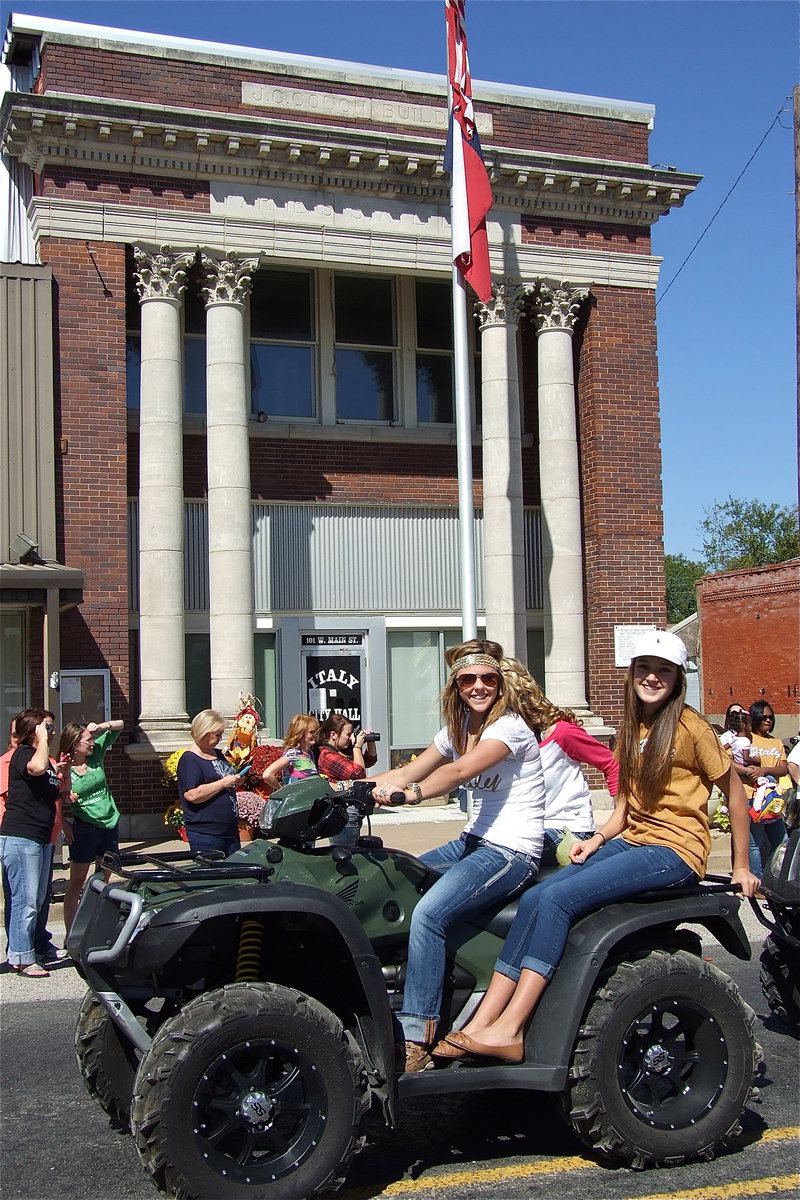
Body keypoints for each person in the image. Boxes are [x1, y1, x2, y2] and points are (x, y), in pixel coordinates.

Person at [435, 630, 759, 1064]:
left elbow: (734, 793)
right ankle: (483, 1021)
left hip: (674, 850)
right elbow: (626, 804)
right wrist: (598, 838)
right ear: (632, 673)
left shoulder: (691, 727)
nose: (652, 677)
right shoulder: (632, 727)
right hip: (633, 841)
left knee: (558, 900)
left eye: (664, 671)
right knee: (536, 896)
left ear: (678, 679)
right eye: (644, 668)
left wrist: (742, 866)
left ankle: (512, 1027)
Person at [369, 639, 546, 1073]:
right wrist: (350, 787)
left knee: (429, 914)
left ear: (500, 683)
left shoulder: (509, 727)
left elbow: (459, 771)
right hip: (473, 841)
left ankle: (418, 1036)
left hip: (511, 850)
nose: (478, 686)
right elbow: (410, 768)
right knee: (395, 878)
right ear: (456, 686)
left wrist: (411, 795)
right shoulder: (458, 727)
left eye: (487, 678)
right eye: (468, 679)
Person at [499, 658, 618, 867]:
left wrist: (620, 812)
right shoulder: (497, 740)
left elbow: (611, 763)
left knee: (498, 857)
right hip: (521, 829)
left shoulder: (561, 732)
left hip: (566, 829)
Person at [0, 709, 69, 976]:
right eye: (47, 728)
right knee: (25, 900)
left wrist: (62, 774)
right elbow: (37, 768)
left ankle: (32, 950)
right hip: (21, 836)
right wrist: (40, 740)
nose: (53, 732)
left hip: (41, 837)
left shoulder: (43, 759)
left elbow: (52, 792)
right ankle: (22, 958)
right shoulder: (23, 754)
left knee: (38, 900)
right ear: (35, 730)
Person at [59, 718, 125, 933]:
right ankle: (72, 934)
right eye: (87, 740)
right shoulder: (63, 767)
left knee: (102, 879)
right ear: (74, 744)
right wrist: (64, 824)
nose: (92, 743)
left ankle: (95, 930)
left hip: (109, 824)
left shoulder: (95, 755)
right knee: (77, 883)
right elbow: (51, 799)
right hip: (85, 828)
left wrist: (101, 727)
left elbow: (121, 725)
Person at [176, 710, 241, 857]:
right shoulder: (190, 759)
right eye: (217, 735)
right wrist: (223, 783)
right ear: (203, 732)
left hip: (229, 828)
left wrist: (235, 781)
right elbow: (192, 795)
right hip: (206, 833)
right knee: (211, 869)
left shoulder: (218, 754)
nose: (220, 739)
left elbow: (223, 783)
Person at [316, 714, 378, 847]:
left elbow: (369, 761)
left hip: (350, 811)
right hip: (344, 813)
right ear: (333, 734)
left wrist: (370, 742)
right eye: (348, 734)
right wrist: (357, 747)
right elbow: (358, 774)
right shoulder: (327, 756)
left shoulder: (339, 752)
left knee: (350, 851)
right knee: (346, 852)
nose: (350, 738)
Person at [745, 700, 789, 876]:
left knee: (781, 841)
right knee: (755, 843)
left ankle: (775, 878)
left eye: (770, 717)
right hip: (752, 798)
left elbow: (784, 768)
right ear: (755, 717)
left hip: (772, 799)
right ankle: (757, 881)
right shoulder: (747, 739)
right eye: (763, 717)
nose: (768, 720)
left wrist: (764, 770)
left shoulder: (776, 742)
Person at [262, 715, 321, 791]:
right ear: (300, 733)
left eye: (316, 732)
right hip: (295, 797)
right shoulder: (293, 754)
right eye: (311, 732)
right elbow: (267, 775)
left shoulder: (310, 753)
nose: (315, 735)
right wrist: (282, 791)